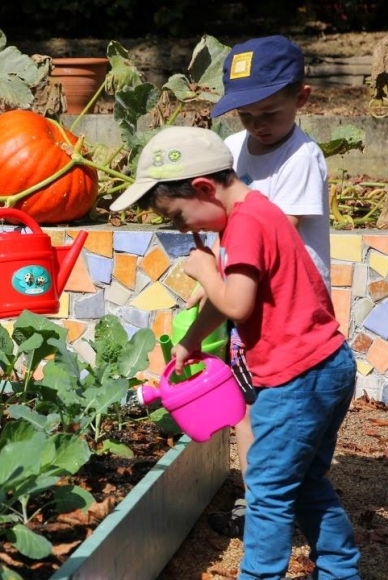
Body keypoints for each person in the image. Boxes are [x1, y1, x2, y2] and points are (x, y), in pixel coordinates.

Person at [109, 126, 359, 580]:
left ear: (204, 188)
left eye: (180, 218)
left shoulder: (244, 227)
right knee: (303, 484)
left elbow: (236, 303)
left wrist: (204, 271)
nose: (184, 230)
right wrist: (190, 340)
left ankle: (260, 575)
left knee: (265, 488)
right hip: (328, 365)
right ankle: (340, 570)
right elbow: (235, 300)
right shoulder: (256, 212)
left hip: (296, 378)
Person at [193, 34, 332, 538]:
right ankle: (258, 504)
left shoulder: (302, 158)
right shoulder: (233, 151)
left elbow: (278, 237)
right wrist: (216, 279)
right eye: (246, 116)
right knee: (248, 407)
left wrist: (219, 279)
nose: (257, 126)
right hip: (246, 304)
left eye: (268, 113)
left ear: (303, 98)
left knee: (288, 411)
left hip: (292, 308)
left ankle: (286, 496)